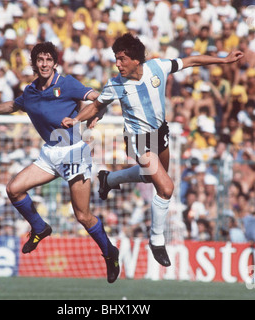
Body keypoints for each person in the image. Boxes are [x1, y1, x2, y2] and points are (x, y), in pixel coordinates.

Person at [62, 32, 244, 267]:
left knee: (152, 179)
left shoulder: (158, 67)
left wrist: (223, 60)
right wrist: (76, 120)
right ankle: (156, 240)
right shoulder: (116, 84)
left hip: (160, 132)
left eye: (122, 59)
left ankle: (109, 179)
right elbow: (96, 105)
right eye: (116, 59)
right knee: (166, 187)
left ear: (136, 59)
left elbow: (190, 61)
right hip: (138, 139)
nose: (118, 64)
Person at [0, 42, 119, 284]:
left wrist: (98, 110)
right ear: (34, 64)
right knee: (13, 189)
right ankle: (40, 228)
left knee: (82, 215)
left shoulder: (67, 83)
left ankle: (110, 252)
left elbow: (98, 97)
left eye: (49, 59)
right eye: (40, 59)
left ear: (55, 62)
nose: (45, 63)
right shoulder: (30, 92)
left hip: (73, 153)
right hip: (50, 153)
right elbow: (13, 106)